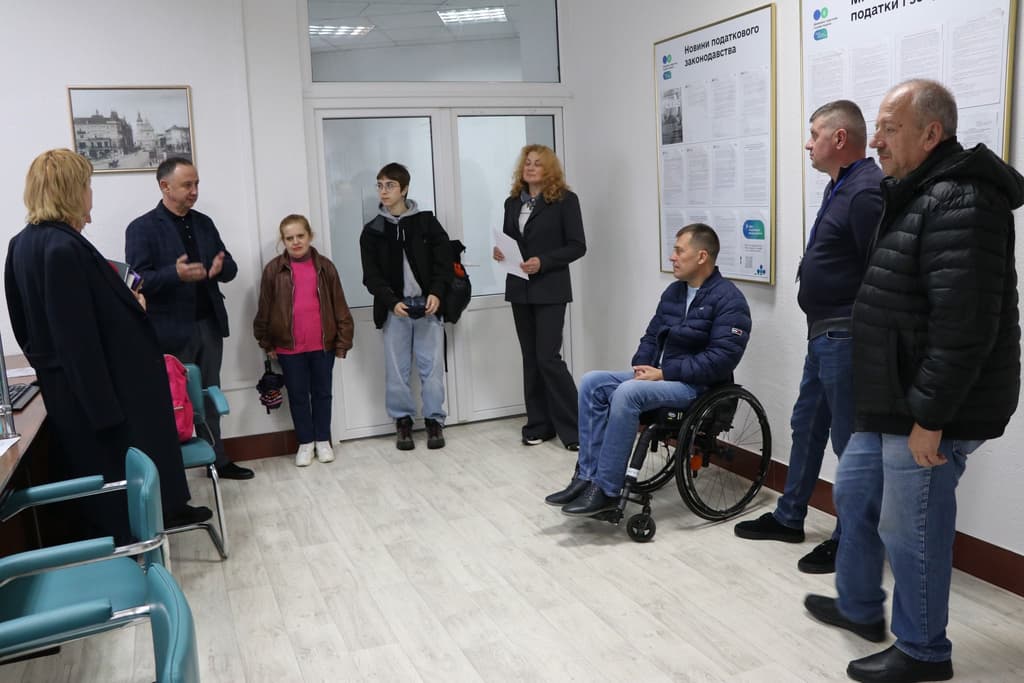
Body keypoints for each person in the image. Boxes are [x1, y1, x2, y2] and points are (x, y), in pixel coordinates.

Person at [804, 80, 1022, 683]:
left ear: (931, 133)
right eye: (876, 126)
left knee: (912, 526)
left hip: (927, 407)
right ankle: (860, 606)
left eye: (889, 127)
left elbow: (965, 325)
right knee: (853, 490)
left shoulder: (963, 200)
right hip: (892, 396)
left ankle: (924, 651)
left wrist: (932, 418)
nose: (875, 139)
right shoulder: (918, 191)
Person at [4, 149, 210, 542]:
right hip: (105, 398)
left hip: (76, 390)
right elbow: (77, 338)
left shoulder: (22, 243)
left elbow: (27, 327)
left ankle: (157, 526)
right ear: (72, 190)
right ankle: (135, 561)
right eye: (87, 185)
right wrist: (105, 413)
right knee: (121, 496)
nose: (90, 194)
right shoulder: (63, 248)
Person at [734, 100, 883, 574]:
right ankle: (790, 515)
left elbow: (877, 271)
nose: (807, 142)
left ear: (839, 139)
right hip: (823, 335)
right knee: (807, 426)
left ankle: (851, 541)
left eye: (814, 133)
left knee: (849, 444)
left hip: (847, 336)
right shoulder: (838, 185)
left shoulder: (866, 191)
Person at [545, 224, 751, 516]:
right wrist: (643, 365)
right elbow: (652, 335)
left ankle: (607, 489)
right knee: (593, 382)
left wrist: (664, 372)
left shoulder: (730, 300)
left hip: (696, 387)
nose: (672, 257)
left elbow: (721, 360)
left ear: (702, 256)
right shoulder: (675, 293)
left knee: (628, 393)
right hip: (660, 376)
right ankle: (586, 477)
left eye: (680, 251)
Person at [125, 157, 254, 480]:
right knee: (175, 404)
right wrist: (175, 274)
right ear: (165, 186)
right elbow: (137, 281)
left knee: (210, 396)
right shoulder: (141, 228)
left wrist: (220, 268)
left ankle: (217, 461)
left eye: (197, 184)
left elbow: (231, 267)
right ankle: (175, 473)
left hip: (208, 325)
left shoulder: (204, 223)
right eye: (187, 185)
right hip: (168, 331)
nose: (194, 191)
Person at [493, 144, 587, 450]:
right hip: (520, 288)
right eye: (527, 163)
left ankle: (576, 430)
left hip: (550, 288)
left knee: (548, 358)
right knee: (531, 359)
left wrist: (543, 262)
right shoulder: (512, 203)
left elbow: (577, 245)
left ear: (549, 170)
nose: (530, 168)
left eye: (537, 164)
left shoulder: (565, 201)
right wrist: (501, 253)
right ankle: (538, 425)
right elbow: (512, 241)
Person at [359, 162, 452, 450]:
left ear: (405, 189)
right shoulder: (372, 230)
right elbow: (371, 276)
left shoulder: (426, 223)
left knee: (432, 368)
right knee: (396, 370)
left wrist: (436, 293)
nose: (383, 191)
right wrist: (391, 301)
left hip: (427, 307)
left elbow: (444, 263)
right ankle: (403, 423)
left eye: (390, 185)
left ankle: (435, 421)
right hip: (394, 309)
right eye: (380, 185)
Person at [254, 214, 354, 466]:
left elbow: (340, 306)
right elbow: (264, 308)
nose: (296, 242)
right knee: (298, 396)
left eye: (300, 236)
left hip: (323, 345)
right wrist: (266, 342)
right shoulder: (273, 270)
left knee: (322, 393)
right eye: (290, 238)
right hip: (289, 347)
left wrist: (342, 341)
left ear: (310, 236)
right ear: (283, 241)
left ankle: (323, 440)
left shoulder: (326, 267)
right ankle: (305, 443)